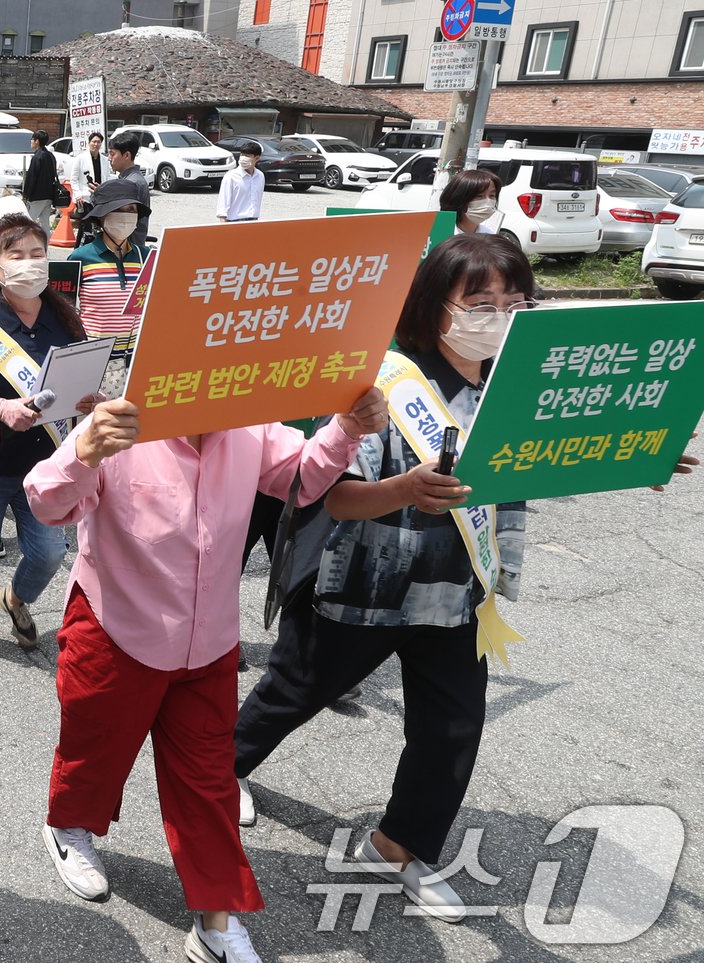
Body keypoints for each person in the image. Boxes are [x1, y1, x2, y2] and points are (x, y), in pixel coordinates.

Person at [232, 233, 697, 923]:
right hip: (362, 587)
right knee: (293, 692)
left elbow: (556, 459)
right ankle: (221, 772)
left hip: (456, 595)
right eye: (480, 302)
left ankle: (397, 847)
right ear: (435, 305)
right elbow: (332, 497)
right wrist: (403, 490)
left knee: (452, 727)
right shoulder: (381, 381)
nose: (498, 316)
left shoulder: (518, 385)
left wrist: (638, 456)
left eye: (515, 302)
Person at [24, 381, 388, 963]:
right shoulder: (121, 423)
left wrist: (346, 428)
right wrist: (84, 450)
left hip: (209, 642)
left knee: (209, 779)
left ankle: (216, 920)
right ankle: (68, 826)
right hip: (116, 630)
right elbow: (46, 502)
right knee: (96, 749)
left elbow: (300, 478)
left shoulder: (245, 420)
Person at [0, 212, 95, 672]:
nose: (29, 264)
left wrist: (91, 400)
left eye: (38, 254)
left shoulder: (63, 317)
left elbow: (80, 380)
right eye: (17, 255)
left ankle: (15, 599)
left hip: (46, 464)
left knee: (50, 553)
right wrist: (0, 408)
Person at [68, 179, 150, 398]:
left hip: (137, 363)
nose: (126, 215)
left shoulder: (147, 257)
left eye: (131, 210)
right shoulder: (80, 258)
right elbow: (64, 311)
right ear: (101, 216)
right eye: (118, 210)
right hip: (94, 362)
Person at [106, 132, 151, 249]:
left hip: (128, 247)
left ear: (126, 155)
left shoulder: (132, 183)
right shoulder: (129, 179)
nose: (109, 158)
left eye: (112, 154)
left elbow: (121, 216)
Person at [441, 168, 503, 235]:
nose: (488, 201)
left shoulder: (489, 236)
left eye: (492, 195)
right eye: (479, 196)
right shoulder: (440, 234)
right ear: (460, 199)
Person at [217, 141, 264, 223]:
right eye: (242, 155)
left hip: (253, 221)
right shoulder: (231, 176)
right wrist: (223, 223)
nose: (243, 158)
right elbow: (223, 203)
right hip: (235, 221)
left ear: (257, 158)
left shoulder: (260, 176)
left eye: (247, 156)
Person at [21, 129, 58, 228]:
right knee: (44, 223)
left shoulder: (37, 157)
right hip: (49, 195)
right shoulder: (51, 155)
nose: (31, 141)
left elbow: (32, 177)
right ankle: (45, 239)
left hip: (37, 196)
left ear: (37, 141)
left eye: (32, 139)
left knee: (28, 222)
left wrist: (26, 195)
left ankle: (26, 238)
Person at [68, 131, 113, 205]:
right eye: (94, 141)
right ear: (89, 143)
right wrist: (78, 194)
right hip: (84, 197)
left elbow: (107, 177)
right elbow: (73, 179)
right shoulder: (80, 158)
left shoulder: (105, 160)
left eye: (98, 142)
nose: (96, 144)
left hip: (100, 197)